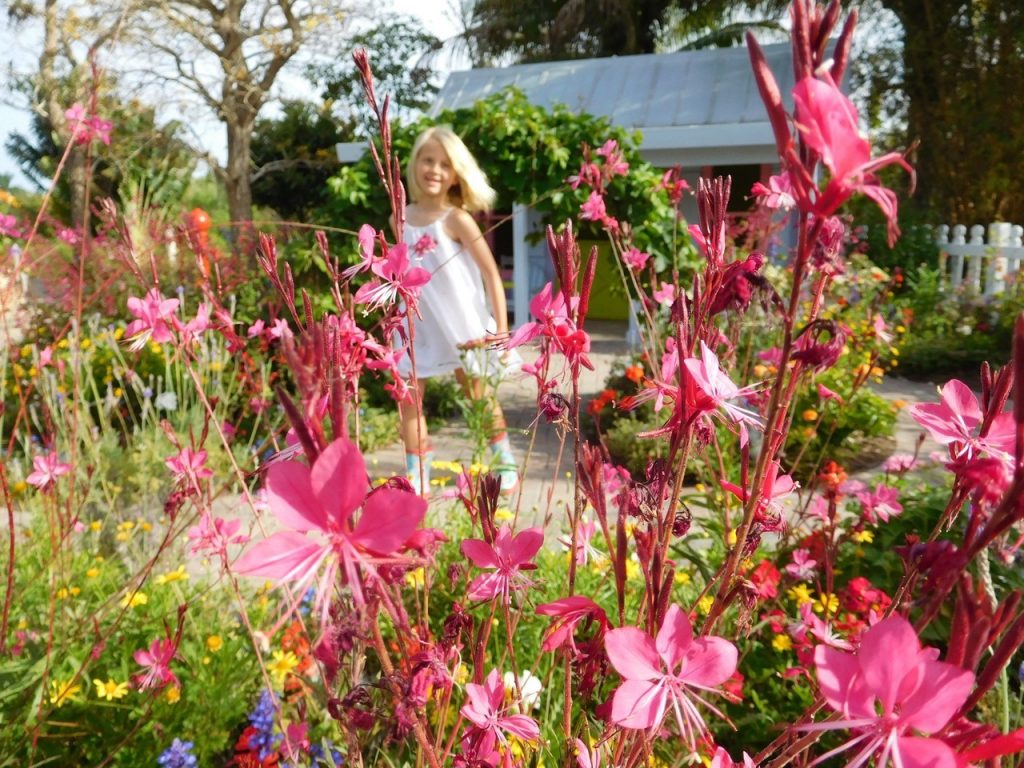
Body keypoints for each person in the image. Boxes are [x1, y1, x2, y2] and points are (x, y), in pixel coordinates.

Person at [391, 125, 518, 497]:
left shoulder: (456, 218)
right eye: (427, 160)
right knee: (408, 399)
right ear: (415, 165)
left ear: (455, 173)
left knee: (479, 396)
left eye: (445, 164)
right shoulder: (398, 218)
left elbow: (492, 275)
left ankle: (504, 463)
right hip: (417, 325)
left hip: (462, 323)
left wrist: (501, 331)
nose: (434, 169)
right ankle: (417, 474)